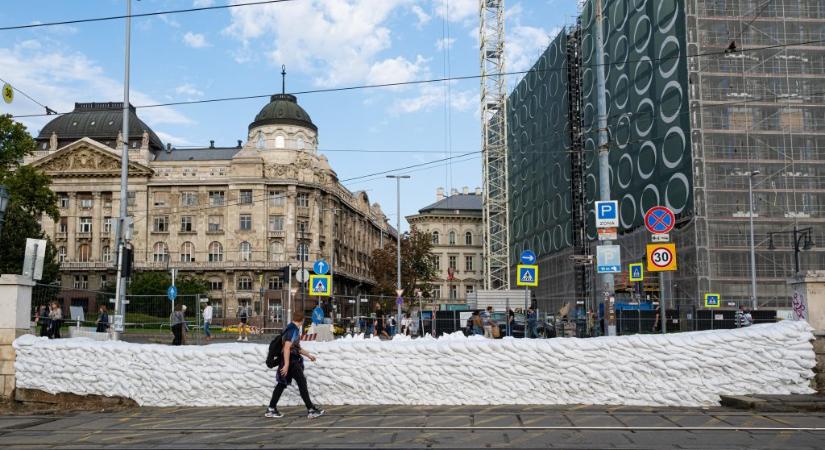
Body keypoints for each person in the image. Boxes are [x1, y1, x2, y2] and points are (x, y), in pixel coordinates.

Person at [265, 310, 324, 419]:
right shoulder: (293, 330)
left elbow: (296, 348)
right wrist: (286, 365)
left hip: (289, 360)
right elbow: (287, 348)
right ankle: (311, 410)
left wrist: (309, 355)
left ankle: (271, 409)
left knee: (281, 384)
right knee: (302, 383)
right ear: (302, 321)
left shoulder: (290, 328)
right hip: (291, 362)